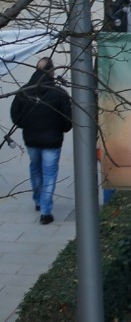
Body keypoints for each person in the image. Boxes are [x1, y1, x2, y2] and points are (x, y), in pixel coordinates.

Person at [9, 57, 71, 224]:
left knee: (35, 168)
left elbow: (15, 115)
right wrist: (61, 129)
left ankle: (38, 199)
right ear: (51, 71)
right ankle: (45, 211)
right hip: (52, 141)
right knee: (49, 174)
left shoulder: (25, 91)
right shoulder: (59, 93)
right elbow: (68, 120)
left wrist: (26, 125)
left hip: (31, 139)